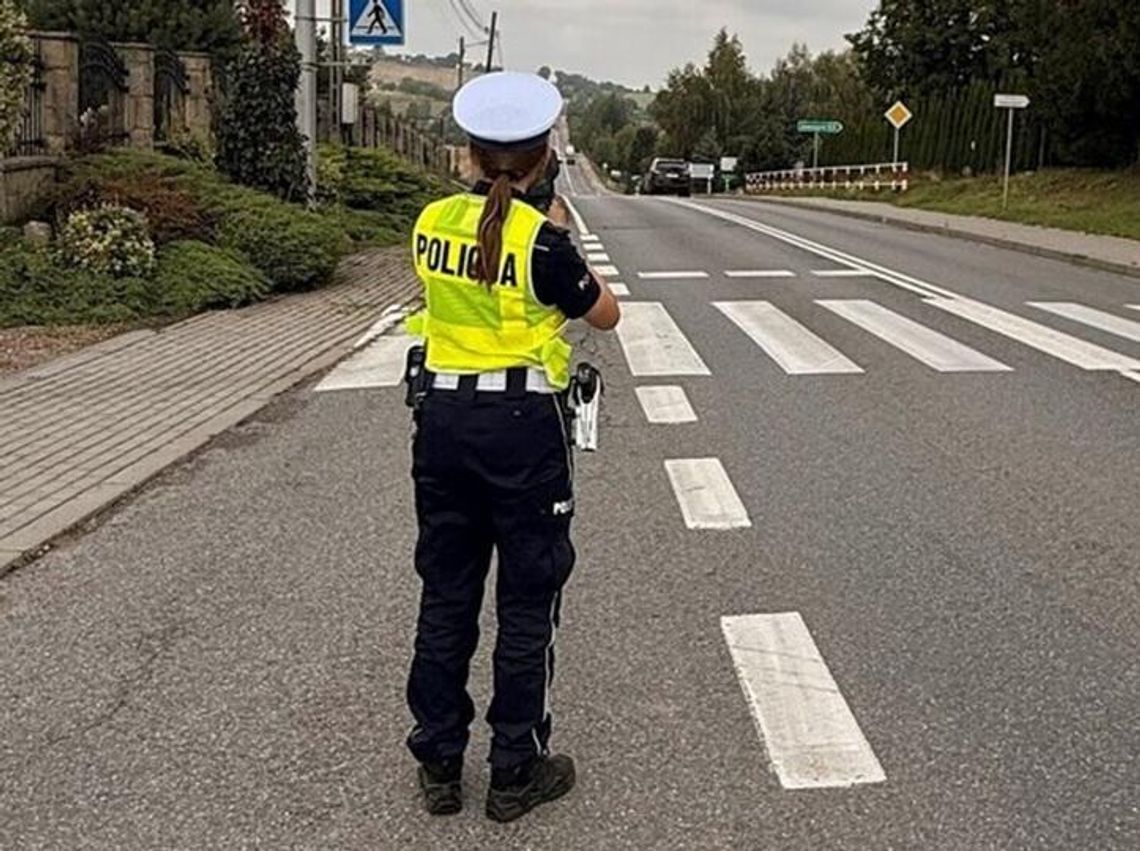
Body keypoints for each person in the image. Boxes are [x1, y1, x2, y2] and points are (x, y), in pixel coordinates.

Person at [403, 71, 621, 823]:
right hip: (524, 430)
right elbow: (607, 313)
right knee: (528, 600)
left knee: (446, 591)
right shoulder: (545, 241)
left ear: (467, 155)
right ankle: (514, 768)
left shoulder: (429, 223)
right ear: (543, 157)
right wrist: (553, 225)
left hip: (441, 426)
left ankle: (437, 758)